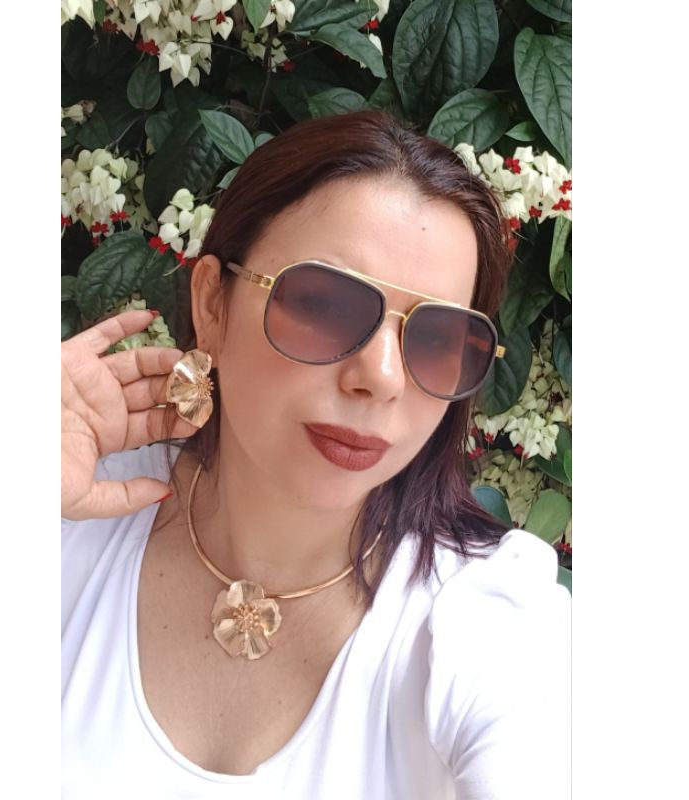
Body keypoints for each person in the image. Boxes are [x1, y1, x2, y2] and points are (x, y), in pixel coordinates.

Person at [61, 110, 570, 799]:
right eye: (325, 304)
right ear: (212, 304)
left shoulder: (486, 620)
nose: (382, 378)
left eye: (437, 338)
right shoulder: (71, 516)